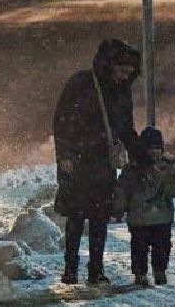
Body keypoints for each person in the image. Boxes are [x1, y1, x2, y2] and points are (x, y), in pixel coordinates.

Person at [52, 38, 143, 285]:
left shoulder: (121, 90)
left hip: (103, 163)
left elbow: (126, 129)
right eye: (122, 70)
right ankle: (70, 269)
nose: (125, 77)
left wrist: (143, 157)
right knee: (75, 217)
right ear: (110, 65)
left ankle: (96, 270)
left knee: (100, 218)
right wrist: (65, 156)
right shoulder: (81, 83)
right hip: (77, 161)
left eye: (130, 73)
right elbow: (62, 121)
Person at [118, 126, 175, 286]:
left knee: (161, 247)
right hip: (140, 218)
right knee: (139, 248)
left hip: (161, 218)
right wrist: (119, 207)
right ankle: (140, 273)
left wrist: (166, 179)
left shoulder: (167, 168)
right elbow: (122, 190)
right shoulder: (133, 169)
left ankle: (159, 270)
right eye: (150, 148)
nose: (154, 152)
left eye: (157, 148)